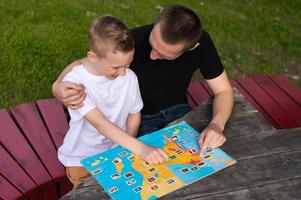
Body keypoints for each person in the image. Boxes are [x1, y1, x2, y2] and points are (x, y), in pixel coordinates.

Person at [53, 5, 233, 158]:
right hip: (141, 118)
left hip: (179, 110)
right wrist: (57, 86)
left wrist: (216, 124)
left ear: (192, 48)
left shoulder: (201, 44)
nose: (152, 55)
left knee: (207, 156)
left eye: (164, 55)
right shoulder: (132, 41)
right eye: (153, 44)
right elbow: (83, 64)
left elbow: (223, 91)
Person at [57, 15, 169, 187]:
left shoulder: (129, 77)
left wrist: (125, 147)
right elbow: (100, 123)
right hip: (81, 159)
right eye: (116, 67)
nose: (123, 73)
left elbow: (134, 113)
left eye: (128, 65)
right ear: (92, 57)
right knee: (85, 193)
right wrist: (140, 148)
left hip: (116, 152)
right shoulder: (77, 83)